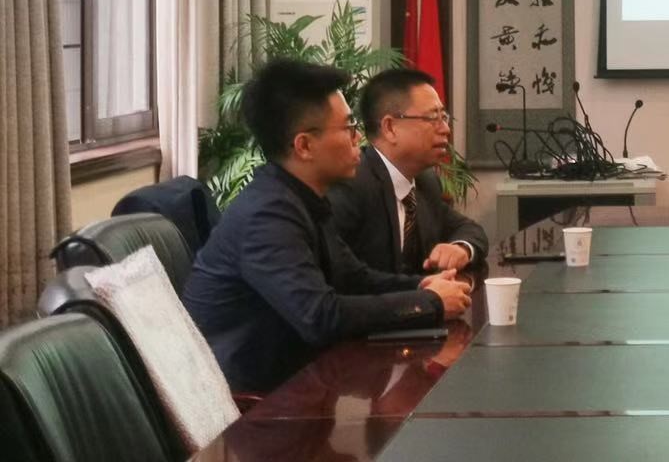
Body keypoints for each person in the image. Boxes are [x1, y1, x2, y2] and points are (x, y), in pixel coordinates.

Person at [183, 59, 472, 393]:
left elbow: (355, 278)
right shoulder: (267, 215)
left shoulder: (301, 197)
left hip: (296, 382)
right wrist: (429, 303)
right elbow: (320, 317)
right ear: (304, 145)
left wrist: (423, 285)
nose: (358, 138)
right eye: (348, 128)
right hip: (246, 401)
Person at [329, 67, 489, 274]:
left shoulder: (425, 182)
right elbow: (341, 279)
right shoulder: (351, 185)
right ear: (390, 128)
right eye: (432, 118)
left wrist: (461, 248)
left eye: (444, 117)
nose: (446, 129)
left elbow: (469, 229)